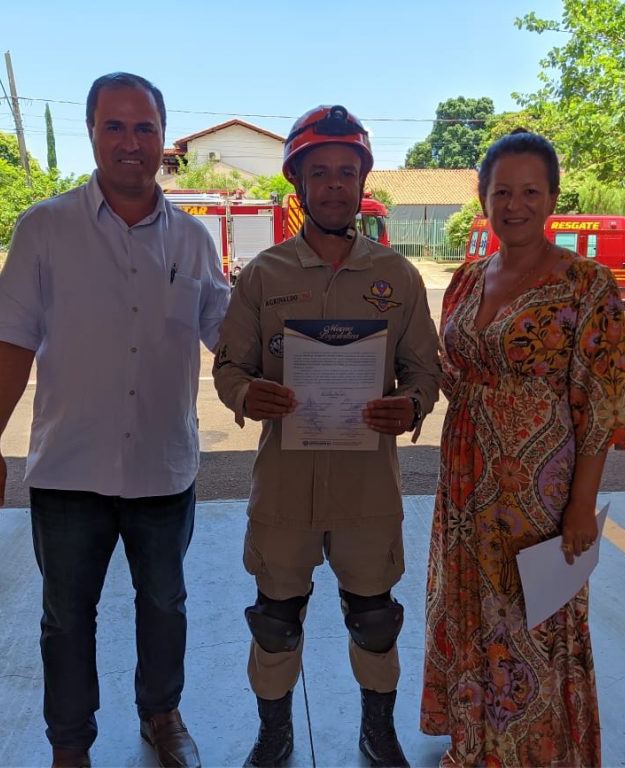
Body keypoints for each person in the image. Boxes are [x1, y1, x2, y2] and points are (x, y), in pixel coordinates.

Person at [0, 72, 229, 768]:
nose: (130, 142)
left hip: (163, 467)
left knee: (164, 605)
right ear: (91, 133)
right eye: (115, 126)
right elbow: (10, 345)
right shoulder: (45, 230)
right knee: (65, 618)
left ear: (163, 139)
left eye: (144, 128)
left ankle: (161, 715)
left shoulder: (195, 243)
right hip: (70, 467)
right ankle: (70, 743)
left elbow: (232, 341)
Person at [212, 105, 442, 768]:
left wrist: (411, 405)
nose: (336, 185)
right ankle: (273, 733)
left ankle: (378, 732)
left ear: (362, 180)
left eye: (348, 171)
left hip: (368, 485)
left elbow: (422, 370)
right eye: (321, 173)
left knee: (375, 618)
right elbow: (229, 365)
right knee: (275, 620)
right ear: (299, 185)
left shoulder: (397, 278)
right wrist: (246, 394)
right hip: (284, 484)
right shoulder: (263, 276)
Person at [420, 130, 625, 766]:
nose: (514, 204)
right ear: (482, 196)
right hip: (463, 482)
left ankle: (536, 749)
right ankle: (477, 741)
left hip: (540, 492)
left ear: (552, 199)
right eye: (501, 191)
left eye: (530, 191)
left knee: (533, 619)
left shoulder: (586, 284)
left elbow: (601, 404)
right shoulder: (464, 279)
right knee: (466, 608)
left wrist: (582, 506)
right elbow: (446, 369)